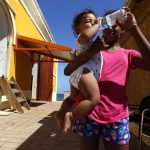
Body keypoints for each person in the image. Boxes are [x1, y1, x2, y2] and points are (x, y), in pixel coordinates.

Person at [63, 8, 150, 150]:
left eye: (115, 24)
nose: (110, 27)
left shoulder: (128, 54)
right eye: (108, 24)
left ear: (122, 29)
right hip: (87, 116)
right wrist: (92, 51)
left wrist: (134, 29)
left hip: (117, 117)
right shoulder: (93, 51)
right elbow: (68, 70)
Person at [55, 8, 109, 133]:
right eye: (89, 21)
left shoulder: (89, 43)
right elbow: (87, 35)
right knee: (94, 99)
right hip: (84, 72)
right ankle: (71, 116)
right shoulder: (82, 39)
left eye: (94, 21)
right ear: (78, 28)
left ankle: (60, 113)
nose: (93, 23)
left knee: (72, 97)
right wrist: (98, 24)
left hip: (78, 74)